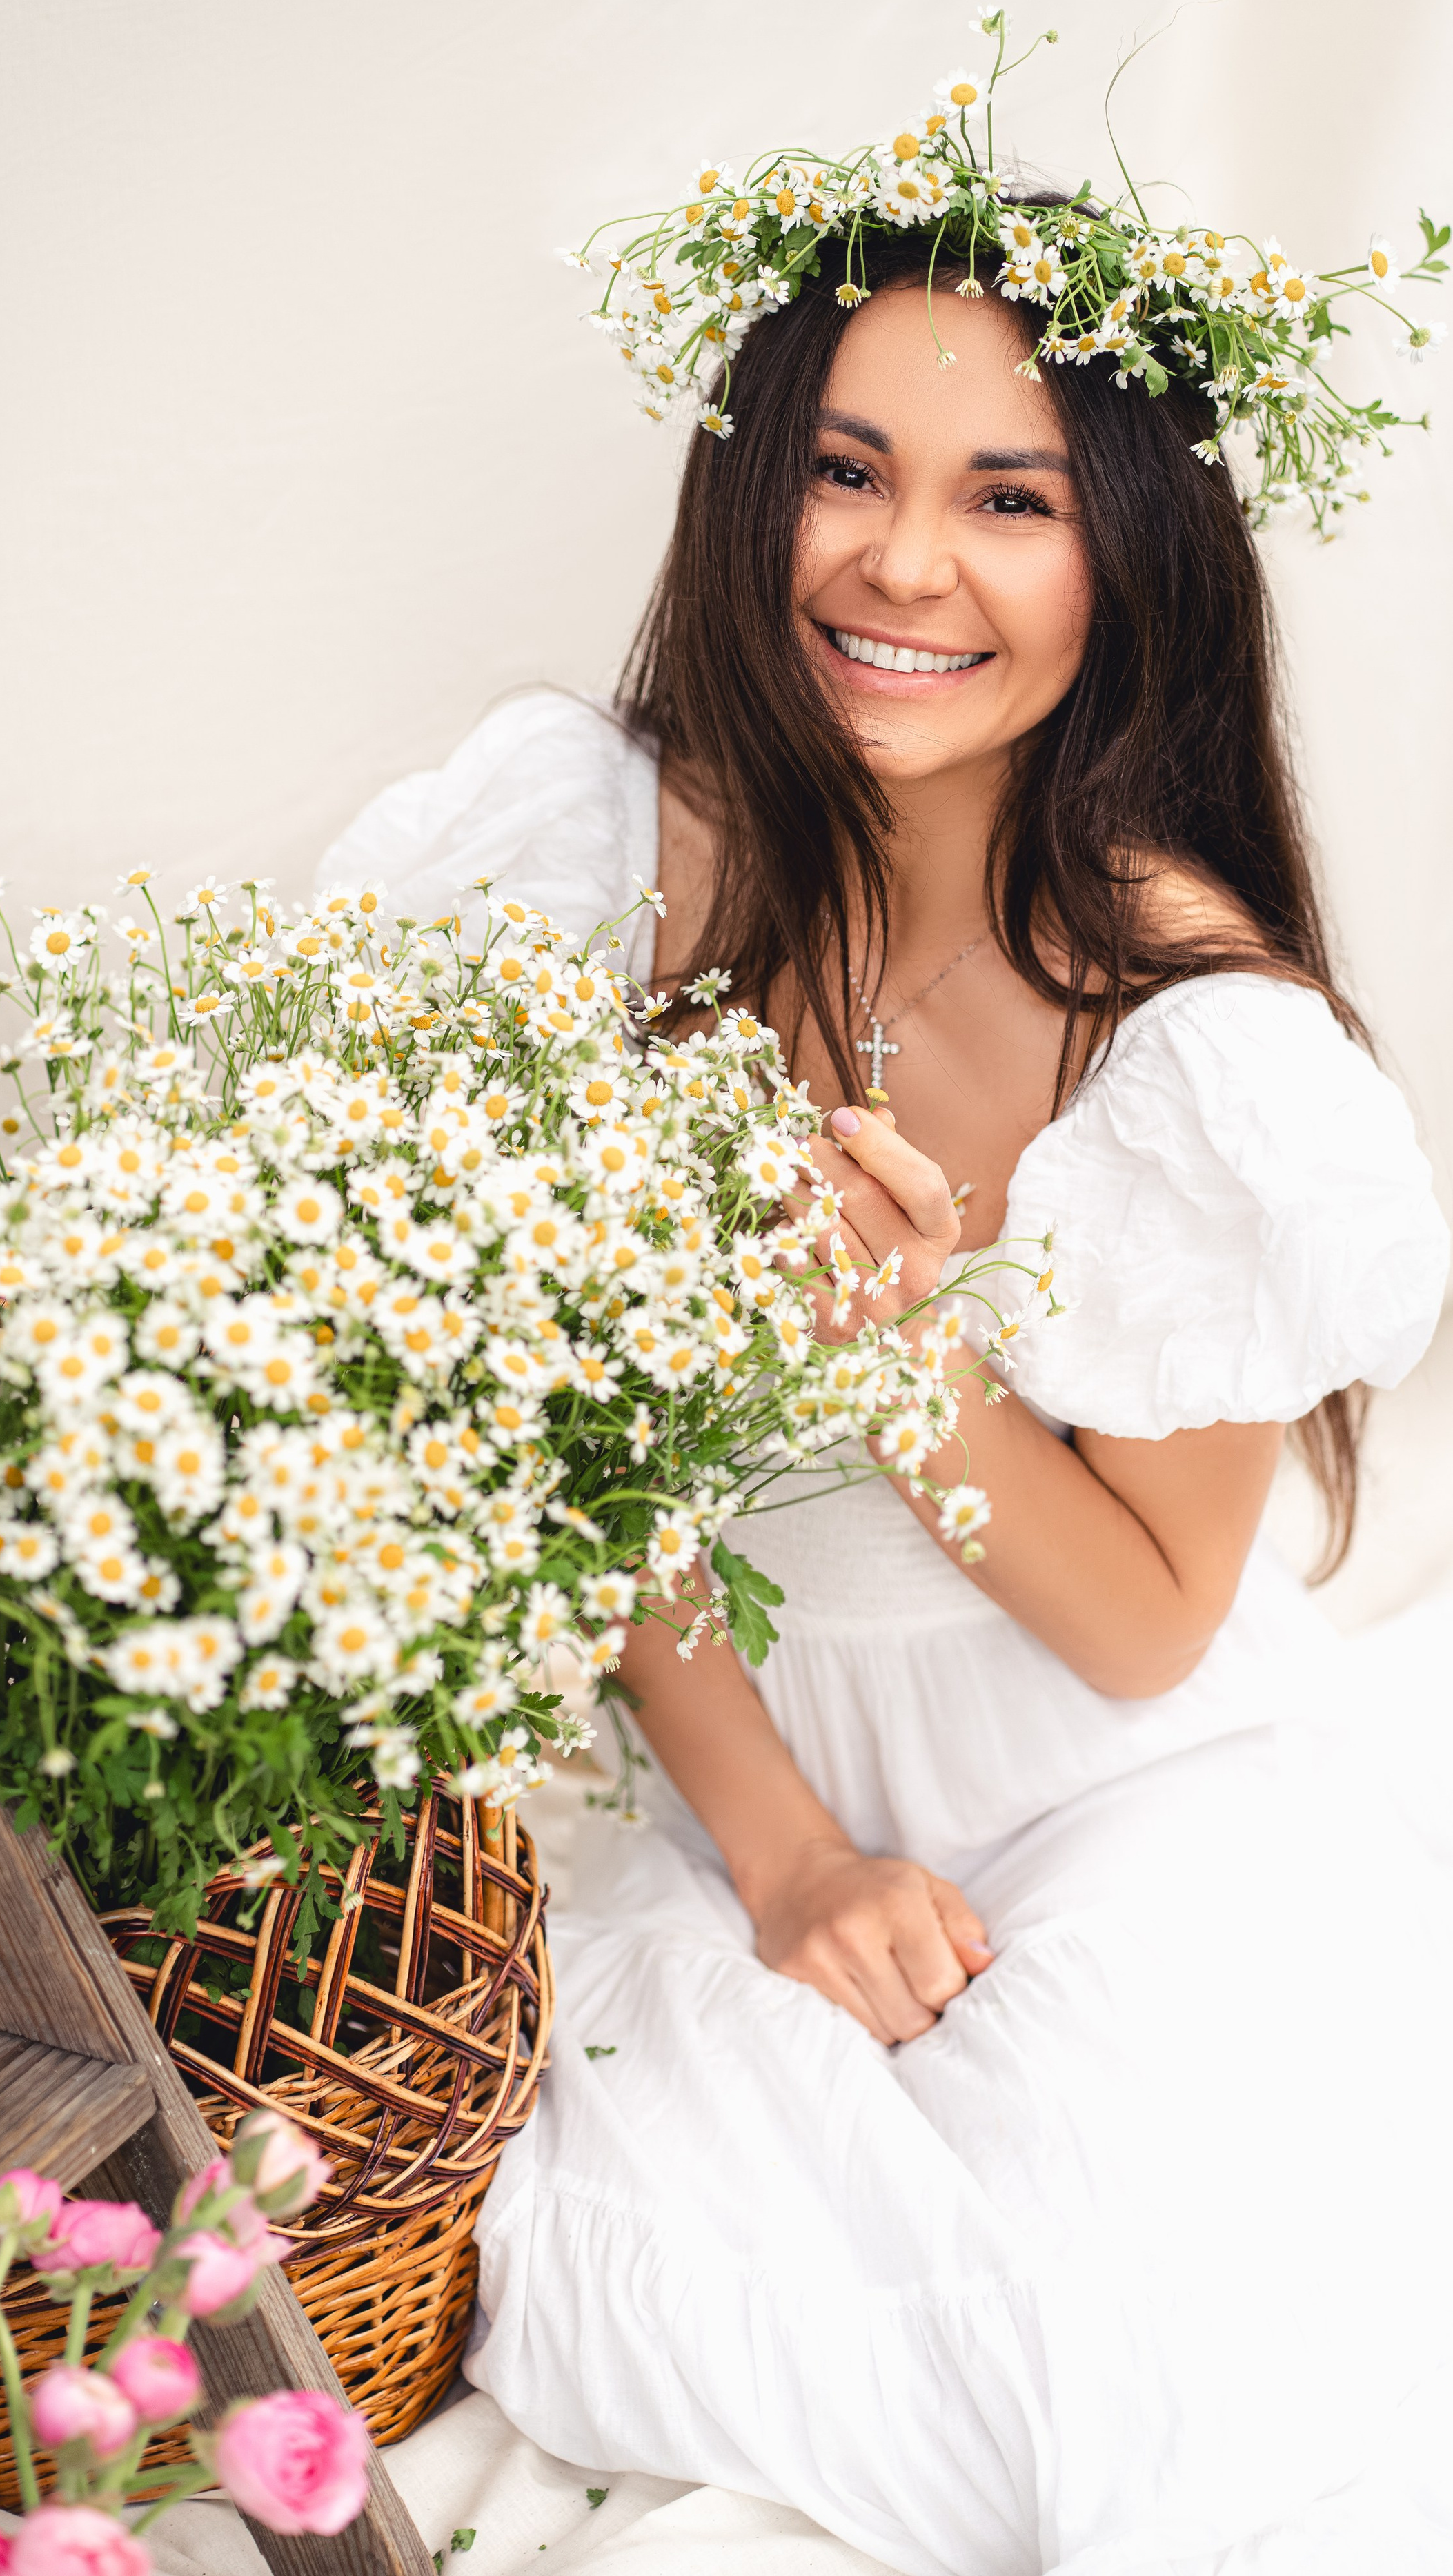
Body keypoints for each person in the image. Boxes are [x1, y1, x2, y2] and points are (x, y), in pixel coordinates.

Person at [315, 175, 1452, 2574]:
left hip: (1119, 1765)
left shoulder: (1186, 1026)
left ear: (1127, 557)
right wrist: (783, 1845)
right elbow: (550, 1434)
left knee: (1124, 2384)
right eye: (848, 469)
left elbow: (1145, 1622)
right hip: (716, 1716)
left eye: (1008, 500)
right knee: (673, 2268)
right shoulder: (616, 855)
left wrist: (894, 1351)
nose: (902, 567)